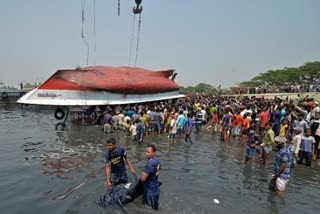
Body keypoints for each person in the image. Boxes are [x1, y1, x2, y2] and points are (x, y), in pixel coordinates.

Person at [140, 143, 161, 210]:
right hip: (156, 189)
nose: (146, 153)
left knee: (148, 210)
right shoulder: (157, 160)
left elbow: (142, 179)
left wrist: (143, 172)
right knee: (155, 209)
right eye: (146, 151)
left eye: (148, 152)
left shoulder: (150, 164)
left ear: (153, 153)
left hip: (150, 191)